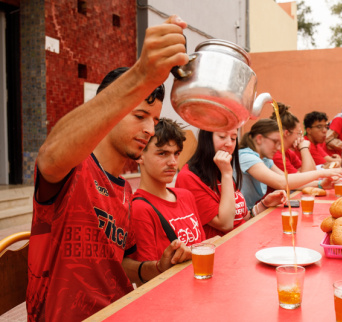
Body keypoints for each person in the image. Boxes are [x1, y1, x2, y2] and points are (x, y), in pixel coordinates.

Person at [27, 16, 189, 321]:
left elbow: (122, 263)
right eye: (139, 115)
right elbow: (49, 157)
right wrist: (141, 74)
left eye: (154, 120)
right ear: (109, 109)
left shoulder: (124, 190)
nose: (149, 130)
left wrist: (156, 268)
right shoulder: (73, 170)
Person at [129, 118, 216, 265]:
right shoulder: (139, 209)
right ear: (139, 155)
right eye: (162, 154)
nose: (173, 162)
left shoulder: (185, 195)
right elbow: (150, 278)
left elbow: (203, 245)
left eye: (176, 153)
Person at [176, 129, 287, 238]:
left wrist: (264, 204)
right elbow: (226, 224)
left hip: (243, 239)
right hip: (220, 249)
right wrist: (227, 174)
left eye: (233, 138)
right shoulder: (189, 177)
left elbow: (241, 219)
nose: (229, 143)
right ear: (207, 138)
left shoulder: (220, 168)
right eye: (222, 137)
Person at [238, 118, 342, 209]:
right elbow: (282, 183)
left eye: (280, 143)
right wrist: (323, 173)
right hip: (242, 217)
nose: (279, 147)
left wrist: (320, 184)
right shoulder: (246, 156)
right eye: (275, 142)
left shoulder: (265, 159)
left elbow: (287, 180)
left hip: (252, 212)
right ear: (259, 139)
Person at [270, 103, 316, 173]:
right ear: (287, 133)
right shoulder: (276, 155)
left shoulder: (288, 152)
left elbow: (313, 173)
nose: (300, 137)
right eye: (298, 133)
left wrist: (305, 150)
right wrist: (304, 149)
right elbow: (305, 179)